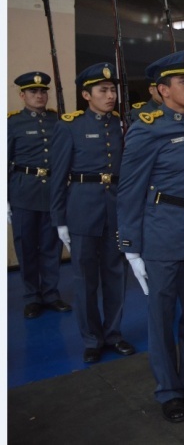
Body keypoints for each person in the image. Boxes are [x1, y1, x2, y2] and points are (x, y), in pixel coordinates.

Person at [118, 49, 184, 423]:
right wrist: (130, 246)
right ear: (162, 90)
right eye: (183, 82)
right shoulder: (146, 128)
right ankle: (169, 391)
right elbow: (130, 190)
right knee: (161, 317)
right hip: (162, 232)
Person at [50, 62, 134, 363]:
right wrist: (58, 219)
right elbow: (58, 176)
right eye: (103, 90)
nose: (110, 95)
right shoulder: (70, 126)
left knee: (115, 275)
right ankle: (91, 338)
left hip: (115, 208)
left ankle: (113, 333)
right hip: (82, 209)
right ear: (87, 95)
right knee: (85, 279)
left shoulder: (122, 124)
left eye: (113, 90)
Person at [8, 72, 72, 319]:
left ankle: (51, 293)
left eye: (43, 91)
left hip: (53, 192)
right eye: (33, 92)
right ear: (22, 95)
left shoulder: (58, 120)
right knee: (26, 246)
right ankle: (31, 296)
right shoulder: (12, 123)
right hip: (23, 191)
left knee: (50, 245)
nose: (39, 95)